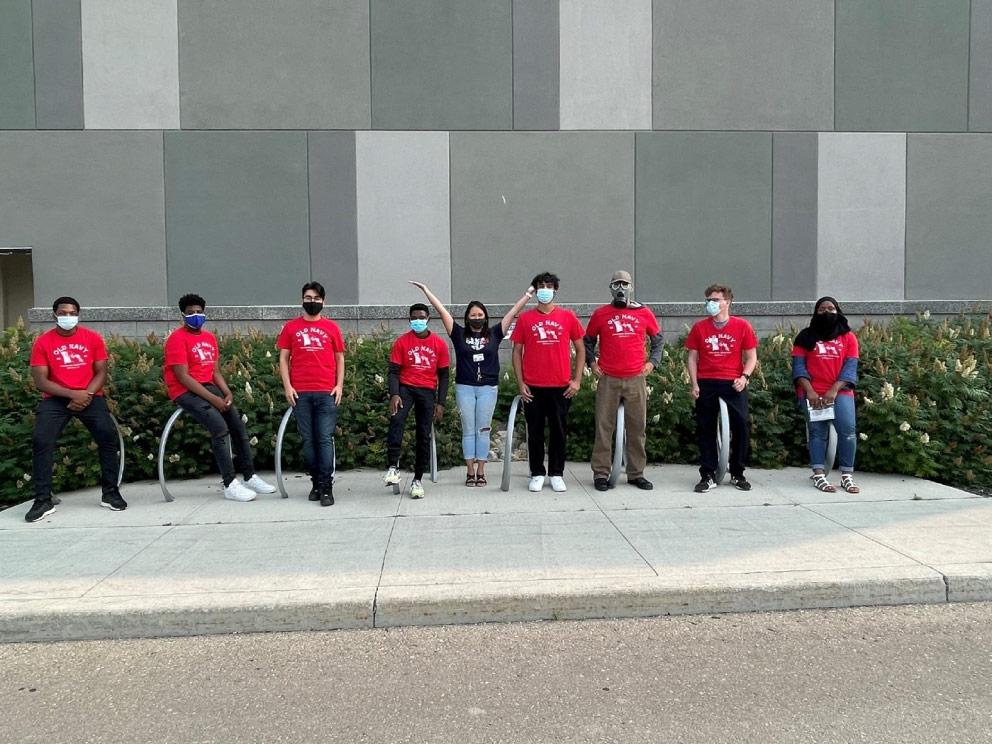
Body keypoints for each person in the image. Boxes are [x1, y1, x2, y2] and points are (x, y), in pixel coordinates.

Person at [409, 281, 533, 487]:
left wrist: (528, 295)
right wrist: (426, 291)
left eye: (480, 314)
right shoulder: (458, 334)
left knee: (483, 429)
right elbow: (442, 311)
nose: (477, 318)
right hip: (464, 387)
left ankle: (482, 471)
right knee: (468, 430)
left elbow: (513, 313)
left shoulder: (494, 333)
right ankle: (469, 471)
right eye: (473, 315)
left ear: (485, 316)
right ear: (467, 318)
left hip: (488, 388)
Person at [163, 293, 276, 502]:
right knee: (219, 428)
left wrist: (226, 392)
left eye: (198, 312)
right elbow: (182, 376)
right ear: (183, 316)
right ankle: (229, 483)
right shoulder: (176, 339)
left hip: (209, 387)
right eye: (190, 313)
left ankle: (249, 476)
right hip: (185, 391)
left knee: (237, 426)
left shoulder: (209, 338)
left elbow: (215, 372)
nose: (195, 316)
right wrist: (213, 400)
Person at [24, 297, 127, 522]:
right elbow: (41, 381)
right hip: (56, 399)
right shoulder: (43, 342)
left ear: (78, 315)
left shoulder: (92, 338)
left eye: (72, 313)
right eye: (63, 313)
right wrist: (72, 394)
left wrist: (86, 395)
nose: (68, 317)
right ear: (54, 315)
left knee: (107, 437)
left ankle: (110, 493)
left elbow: (101, 372)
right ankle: (42, 499)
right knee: (41, 440)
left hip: (90, 395)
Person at [584, 270, 663, 492]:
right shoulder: (601, 314)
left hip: (635, 378)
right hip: (608, 378)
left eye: (625, 284)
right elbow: (587, 341)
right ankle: (601, 473)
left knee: (637, 428)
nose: (621, 288)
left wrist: (652, 363)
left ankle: (636, 473)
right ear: (610, 288)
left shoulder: (644, 313)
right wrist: (592, 363)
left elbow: (658, 340)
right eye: (616, 284)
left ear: (631, 287)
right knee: (603, 427)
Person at [511, 272, 585, 493]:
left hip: (560, 386)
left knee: (559, 431)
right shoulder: (526, 319)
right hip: (533, 386)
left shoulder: (568, 317)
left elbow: (581, 348)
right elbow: (516, 351)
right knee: (534, 432)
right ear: (535, 291)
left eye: (549, 285)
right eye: (541, 286)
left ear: (555, 290)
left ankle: (556, 473)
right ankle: (536, 472)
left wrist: (577, 380)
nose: (545, 289)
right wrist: (520, 382)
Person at [277, 281, 345, 507]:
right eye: (308, 297)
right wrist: (288, 386)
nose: (312, 302)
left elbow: (339, 358)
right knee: (308, 441)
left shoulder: (332, 327)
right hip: (301, 393)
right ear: (302, 300)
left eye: (316, 298)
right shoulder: (291, 327)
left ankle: (326, 487)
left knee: (324, 439)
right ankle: (315, 483)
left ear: (323, 302)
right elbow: (284, 358)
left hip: (326, 392)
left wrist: (339, 386)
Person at [685, 284, 757, 493]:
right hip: (707, 381)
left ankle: (737, 473)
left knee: (741, 425)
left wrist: (744, 377)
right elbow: (692, 357)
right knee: (705, 427)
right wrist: (695, 383)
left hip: (733, 381)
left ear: (728, 302)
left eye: (715, 300)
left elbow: (751, 356)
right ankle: (708, 474)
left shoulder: (742, 326)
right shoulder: (699, 327)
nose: (711, 304)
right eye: (708, 300)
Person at [792, 296, 860, 494]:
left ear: (838, 311)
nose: (827, 312)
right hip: (813, 393)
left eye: (831, 308)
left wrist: (834, 389)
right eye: (822, 309)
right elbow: (798, 367)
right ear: (815, 312)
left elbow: (850, 367)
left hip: (840, 392)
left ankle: (847, 475)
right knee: (817, 433)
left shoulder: (848, 337)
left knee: (847, 432)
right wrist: (810, 391)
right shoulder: (805, 337)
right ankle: (819, 474)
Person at [383, 303, 450, 499]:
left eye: (421, 317)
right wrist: (395, 394)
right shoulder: (402, 342)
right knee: (397, 420)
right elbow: (393, 371)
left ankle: (418, 479)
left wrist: (441, 403)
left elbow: (444, 376)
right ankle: (393, 467)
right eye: (414, 318)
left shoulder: (439, 344)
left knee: (423, 434)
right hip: (406, 388)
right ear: (409, 320)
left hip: (427, 391)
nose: (418, 321)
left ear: (428, 318)